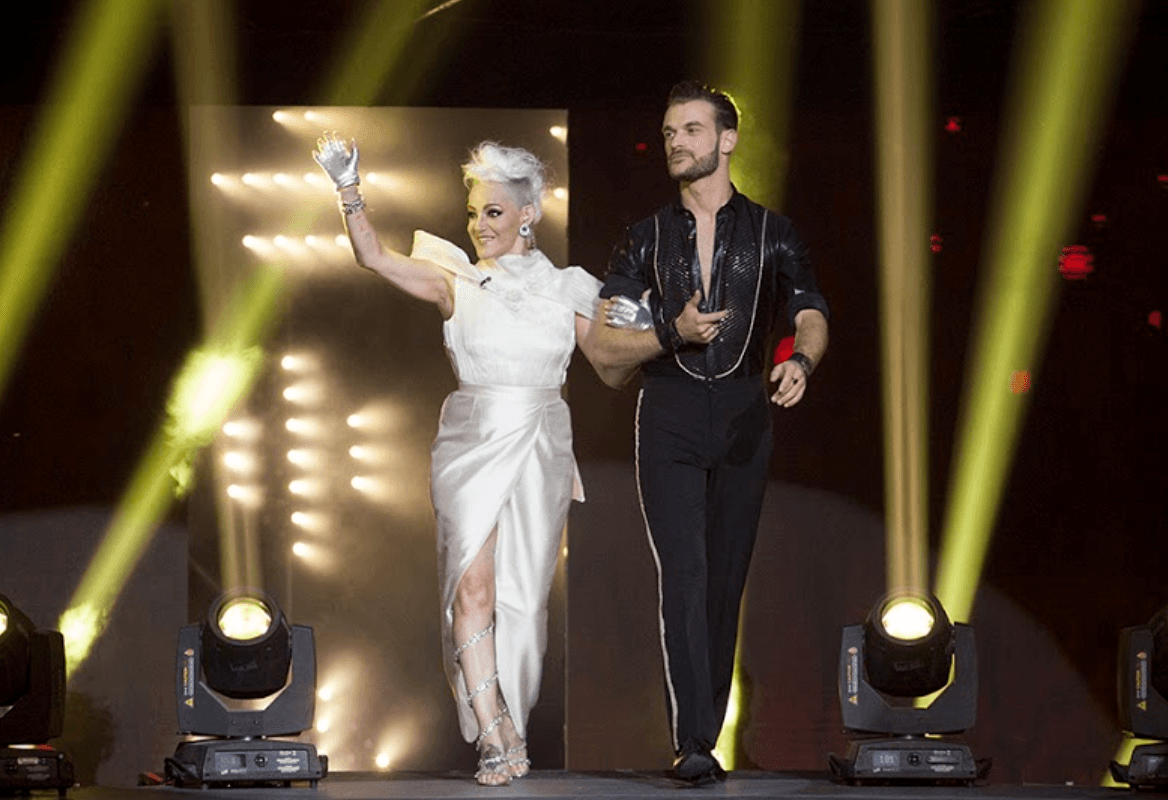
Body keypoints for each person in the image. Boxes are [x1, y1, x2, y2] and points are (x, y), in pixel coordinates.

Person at [314, 135, 608, 785]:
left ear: (528, 214)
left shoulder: (565, 289)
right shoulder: (456, 279)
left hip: (537, 440)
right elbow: (372, 256)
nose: (479, 225)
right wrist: (347, 188)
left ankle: (512, 716)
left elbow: (616, 353)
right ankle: (494, 733)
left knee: (522, 602)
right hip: (471, 442)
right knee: (470, 589)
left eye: (494, 213)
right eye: (474, 213)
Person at [588, 81, 830, 784]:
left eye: (690, 130)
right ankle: (693, 742)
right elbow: (605, 356)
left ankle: (704, 731)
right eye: (668, 132)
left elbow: (811, 309)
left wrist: (803, 360)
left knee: (725, 584)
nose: (676, 142)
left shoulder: (773, 231)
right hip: (667, 415)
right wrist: (672, 332)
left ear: (726, 140)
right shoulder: (642, 238)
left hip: (746, 416)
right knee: (685, 579)